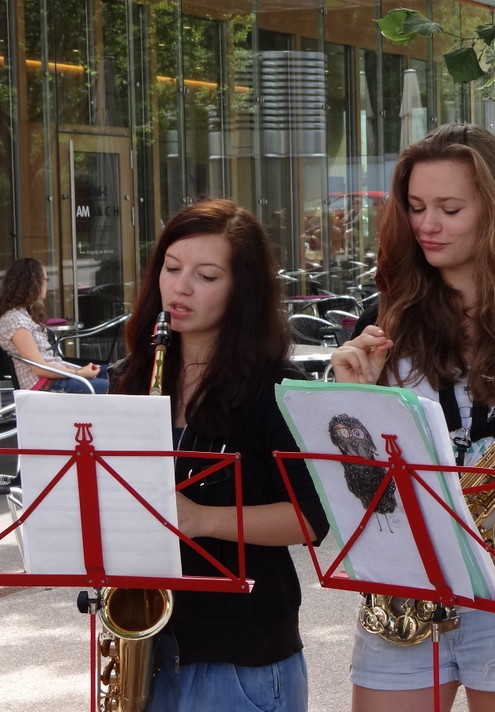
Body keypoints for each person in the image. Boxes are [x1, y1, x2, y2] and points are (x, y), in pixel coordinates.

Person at [329, 122, 495, 712]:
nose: (427, 225)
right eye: (416, 207)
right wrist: (351, 396)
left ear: (494, 210)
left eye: (449, 209)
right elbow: (355, 474)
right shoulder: (386, 315)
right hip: (407, 579)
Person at [110, 199, 330, 712]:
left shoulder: (275, 389)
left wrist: (201, 519)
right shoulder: (135, 377)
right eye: (171, 268)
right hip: (149, 649)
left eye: (206, 276)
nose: (180, 288)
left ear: (242, 292)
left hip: (240, 660)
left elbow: (311, 518)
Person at [0, 257, 108, 393]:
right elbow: (40, 368)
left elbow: (47, 362)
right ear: (32, 283)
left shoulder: (23, 314)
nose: (47, 283)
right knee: (120, 386)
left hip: (55, 380)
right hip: (48, 386)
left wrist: (80, 370)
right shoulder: (16, 321)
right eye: (45, 279)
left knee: (118, 371)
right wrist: (80, 373)